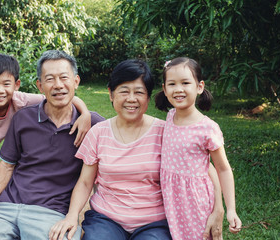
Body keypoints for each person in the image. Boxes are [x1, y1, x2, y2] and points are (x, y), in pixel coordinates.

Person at [49, 59, 225, 240]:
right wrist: (71, 216)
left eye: (139, 92)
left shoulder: (166, 131)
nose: (131, 99)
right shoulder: (98, 133)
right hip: (106, 219)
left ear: (148, 97)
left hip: (154, 223)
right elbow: (85, 182)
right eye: (124, 91)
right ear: (111, 94)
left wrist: (218, 209)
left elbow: (204, 166)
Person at [0, 52, 92, 240]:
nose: (58, 85)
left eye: (64, 78)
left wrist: (85, 113)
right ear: (40, 85)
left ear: (76, 81)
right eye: (50, 79)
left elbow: (63, 96)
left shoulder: (91, 125)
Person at [155, 57, 242, 239]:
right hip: (171, 198)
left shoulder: (207, 128)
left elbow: (223, 169)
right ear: (164, 89)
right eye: (172, 84)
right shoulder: (170, 116)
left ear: (199, 87)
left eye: (185, 82)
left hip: (195, 202)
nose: (178, 89)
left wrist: (230, 209)